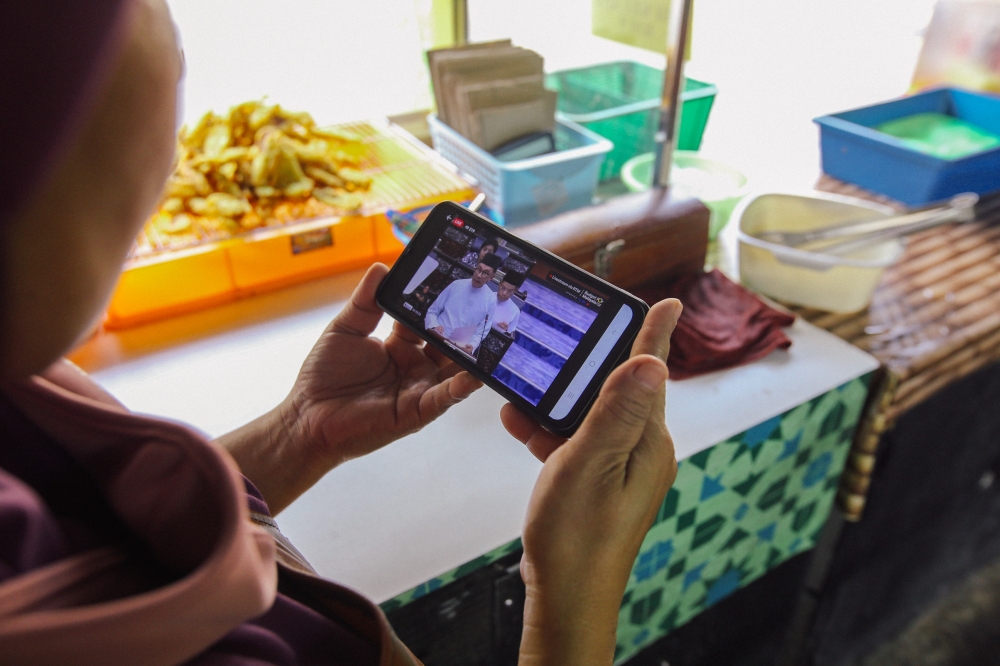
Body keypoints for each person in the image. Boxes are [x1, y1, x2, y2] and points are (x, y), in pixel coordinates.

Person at [0, 1, 683, 664]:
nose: (179, 57)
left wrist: (301, 432)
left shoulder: (23, 380)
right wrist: (575, 593)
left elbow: (125, 526)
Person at [425, 253, 502, 354]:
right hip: (436, 337)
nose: (479, 275)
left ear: (491, 277)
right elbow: (432, 311)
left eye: (485, 273)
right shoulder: (457, 284)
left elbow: (481, 332)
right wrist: (434, 326)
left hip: (458, 348)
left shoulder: (490, 300)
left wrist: (472, 346)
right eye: (478, 269)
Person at [493, 270, 525, 336]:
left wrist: (506, 331)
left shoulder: (515, 311)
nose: (504, 293)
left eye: (509, 291)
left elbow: (510, 334)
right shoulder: (486, 296)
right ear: (500, 283)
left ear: (515, 291)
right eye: (503, 288)